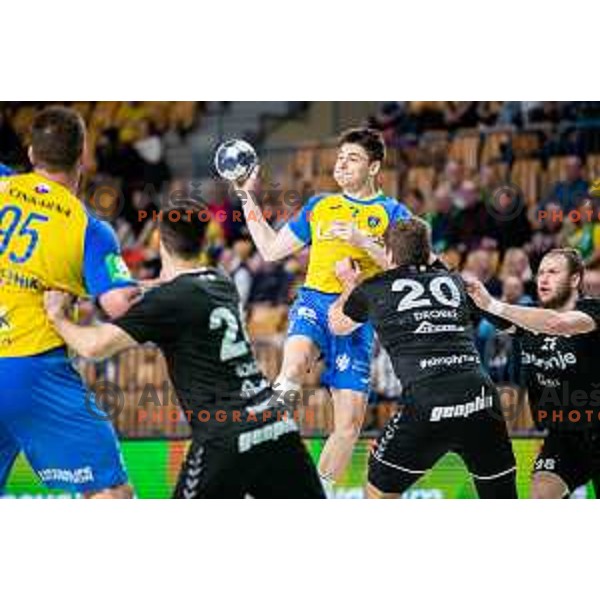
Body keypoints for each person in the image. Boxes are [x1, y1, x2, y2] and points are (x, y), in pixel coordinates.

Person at [44, 202, 325, 499]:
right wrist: (117, 287)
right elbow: (172, 289)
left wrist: (57, 317)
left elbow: (94, 347)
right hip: (275, 425)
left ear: (160, 243)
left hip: (225, 437)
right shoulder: (221, 282)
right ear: (205, 241)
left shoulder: (169, 301)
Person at [234, 128, 410, 490]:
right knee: (294, 366)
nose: (342, 163)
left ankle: (319, 492)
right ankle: (260, 452)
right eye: (341, 156)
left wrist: (363, 242)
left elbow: (407, 267)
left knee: (349, 424)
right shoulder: (320, 205)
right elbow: (270, 249)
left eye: (353, 158)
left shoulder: (392, 211)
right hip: (314, 302)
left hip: (358, 316)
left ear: (374, 167)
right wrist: (248, 200)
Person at [0, 106, 138, 498]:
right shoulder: (90, 229)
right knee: (110, 494)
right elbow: (118, 305)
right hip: (31, 371)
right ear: (83, 158)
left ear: (31, 154)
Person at [328, 218, 517, 499]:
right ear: (427, 250)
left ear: (389, 253)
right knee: (501, 497)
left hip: (429, 401)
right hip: (481, 397)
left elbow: (337, 325)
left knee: (378, 492)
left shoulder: (373, 288)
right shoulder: (453, 280)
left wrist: (348, 283)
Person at [465, 248, 600, 499]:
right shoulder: (528, 320)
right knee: (540, 496)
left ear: (574, 280)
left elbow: (556, 323)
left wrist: (493, 303)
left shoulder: (593, 310)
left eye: (553, 272)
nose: (544, 279)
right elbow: (483, 307)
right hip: (565, 436)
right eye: (540, 273)